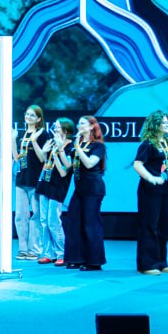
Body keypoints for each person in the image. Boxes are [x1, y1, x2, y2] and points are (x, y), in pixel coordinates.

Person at [62, 115, 107, 271]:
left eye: (82, 123)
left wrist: (78, 148)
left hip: (93, 188)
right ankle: (76, 258)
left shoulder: (98, 146)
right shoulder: (78, 144)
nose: (79, 126)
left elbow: (89, 163)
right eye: (78, 123)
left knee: (91, 223)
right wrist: (60, 149)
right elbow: (68, 165)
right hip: (80, 188)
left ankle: (94, 262)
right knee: (73, 221)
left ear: (91, 126)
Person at [133, 110, 168, 275]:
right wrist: (151, 178)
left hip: (166, 188)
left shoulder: (166, 143)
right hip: (150, 190)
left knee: (164, 225)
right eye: (163, 123)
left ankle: (161, 262)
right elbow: (137, 165)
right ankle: (147, 264)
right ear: (155, 125)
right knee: (149, 225)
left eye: (167, 122)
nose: (167, 125)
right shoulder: (148, 144)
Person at [33, 116, 74, 265]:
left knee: (53, 221)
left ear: (66, 130)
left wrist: (57, 152)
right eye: (55, 126)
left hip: (57, 187)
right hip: (45, 183)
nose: (55, 129)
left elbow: (65, 170)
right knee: (43, 221)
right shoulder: (52, 142)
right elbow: (46, 161)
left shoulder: (70, 147)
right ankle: (47, 253)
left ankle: (61, 253)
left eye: (57, 127)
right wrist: (45, 152)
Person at [14, 105, 48, 260]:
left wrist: (34, 141)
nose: (28, 117)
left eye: (32, 115)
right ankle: (23, 249)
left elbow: (42, 158)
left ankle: (34, 249)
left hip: (35, 180)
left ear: (39, 118)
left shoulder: (43, 134)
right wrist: (13, 140)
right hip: (22, 179)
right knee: (20, 216)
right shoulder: (23, 134)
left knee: (36, 216)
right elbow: (17, 158)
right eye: (27, 114)